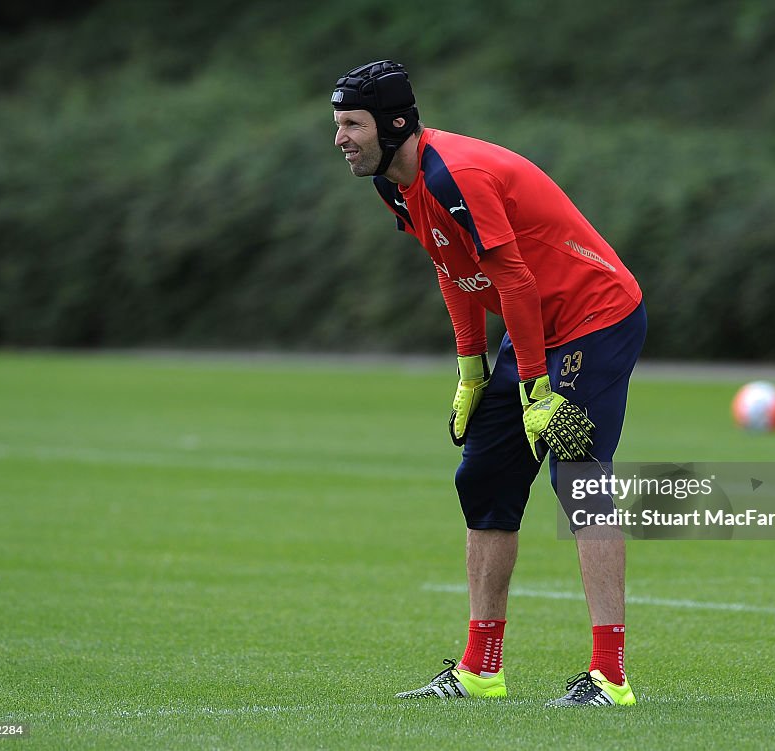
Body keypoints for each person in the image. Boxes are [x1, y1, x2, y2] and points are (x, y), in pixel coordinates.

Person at [331, 60, 646, 707]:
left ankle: (610, 676)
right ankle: (481, 668)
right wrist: (472, 371)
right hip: (535, 328)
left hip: (595, 313)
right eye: (338, 124)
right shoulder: (395, 184)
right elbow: (454, 267)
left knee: (578, 474)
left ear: (394, 124)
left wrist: (533, 389)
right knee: (483, 479)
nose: (341, 138)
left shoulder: (455, 175)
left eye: (351, 124)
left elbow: (517, 282)